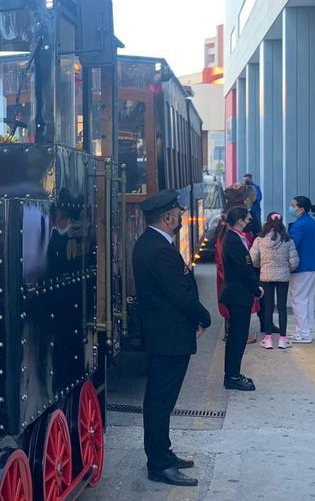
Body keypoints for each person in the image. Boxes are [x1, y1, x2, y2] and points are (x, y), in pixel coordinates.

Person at [132, 189, 211, 487]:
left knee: (161, 401)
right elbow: (179, 293)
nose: (181, 216)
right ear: (167, 217)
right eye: (177, 212)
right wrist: (204, 316)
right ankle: (160, 464)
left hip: (166, 334)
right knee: (159, 402)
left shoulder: (152, 244)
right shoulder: (158, 249)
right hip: (168, 336)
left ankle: (163, 453)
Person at [220, 206, 262, 390]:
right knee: (237, 337)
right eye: (247, 218)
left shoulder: (234, 237)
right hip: (238, 295)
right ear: (239, 220)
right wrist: (256, 289)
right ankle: (232, 376)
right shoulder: (233, 240)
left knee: (237, 336)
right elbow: (243, 270)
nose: (249, 221)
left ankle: (233, 373)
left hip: (237, 294)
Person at [250, 212, 299, 349]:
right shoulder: (288, 240)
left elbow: (253, 259)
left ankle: (268, 338)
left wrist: (261, 266)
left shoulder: (259, 240)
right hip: (283, 277)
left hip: (265, 276)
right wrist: (286, 268)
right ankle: (283, 339)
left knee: (268, 307)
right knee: (282, 307)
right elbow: (294, 262)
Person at [288, 196, 315, 343]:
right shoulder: (312, 223)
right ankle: (307, 330)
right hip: (314, 265)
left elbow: (292, 244)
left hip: (302, 267)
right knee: (307, 299)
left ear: (301, 209)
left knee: (298, 299)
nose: (291, 208)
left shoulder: (300, 225)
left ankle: (303, 333)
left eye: (293, 205)